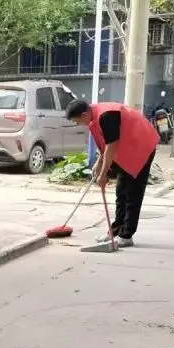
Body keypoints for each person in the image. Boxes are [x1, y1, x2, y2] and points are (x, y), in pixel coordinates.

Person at [65, 98, 159, 248]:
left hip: (141, 146)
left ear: (84, 115)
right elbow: (105, 144)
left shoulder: (106, 116)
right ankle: (114, 232)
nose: (78, 124)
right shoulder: (94, 117)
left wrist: (103, 174)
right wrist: (99, 163)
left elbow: (111, 146)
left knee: (132, 192)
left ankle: (126, 235)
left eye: (77, 121)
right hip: (127, 148)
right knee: (121, 191)